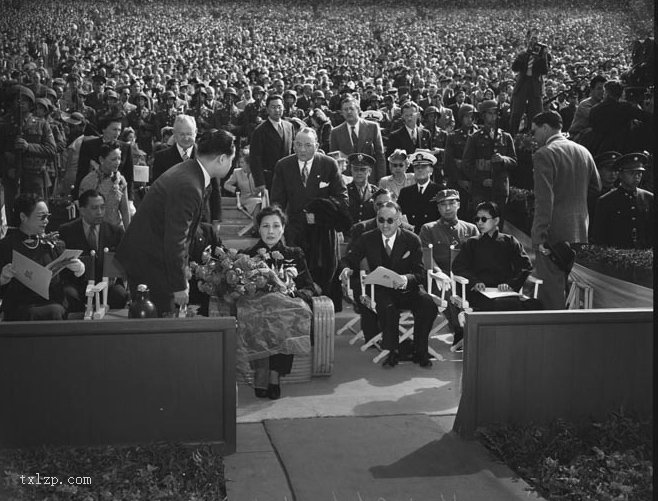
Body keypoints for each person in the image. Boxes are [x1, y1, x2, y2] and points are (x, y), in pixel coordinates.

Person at [116, 129, 235, 316]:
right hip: (150, 261)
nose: (230, 164)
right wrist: (179, 285)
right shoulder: (189, 185)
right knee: (161, 324)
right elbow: (176, 238)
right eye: (231, 160)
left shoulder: (191, 171)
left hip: (154, 255)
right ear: (221, 159)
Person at [339, 201, 437, 368]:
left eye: (390, 220)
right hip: (380, 290)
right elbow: (348, 259)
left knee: (428, 305)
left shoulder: (412, 240)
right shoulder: (367, 238)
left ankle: (420, 350)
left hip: (407, 289)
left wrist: (406, 279)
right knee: (388, 308)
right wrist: (346, 269)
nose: (385, 225)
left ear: (399, 220)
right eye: (381, 220)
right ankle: (392, 351)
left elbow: (420, 274)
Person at [242, 205, 318, 400]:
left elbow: (310, 287)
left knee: (284, 314)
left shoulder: (295, 254)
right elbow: (240, 290)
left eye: (276, 226)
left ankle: (274, 376)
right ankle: (262, 373)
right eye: (266, 226)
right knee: (260, 315)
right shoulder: (248, 256)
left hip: (287, 310)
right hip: (257, 311)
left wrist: (292, 294)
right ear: (258, 228)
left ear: (283, 228)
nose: (271, 231)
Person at [530, 111, 601, 309]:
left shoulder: (544, 153)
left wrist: (540, 236)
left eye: (535, 132)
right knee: (569, 289)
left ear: (545, 128)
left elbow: (544, 199)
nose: (534, 138)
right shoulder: (583, 151)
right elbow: (596, 188)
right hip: (579, 229)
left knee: (551, 293)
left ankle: (555, 337)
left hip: (553, 233)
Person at [270, 127, 349, 297]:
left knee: (324, 278)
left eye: (307, 145)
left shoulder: (329, 164)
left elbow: (342, 198)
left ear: (317, 145)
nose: (302, 149)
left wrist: (320, 208)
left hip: (323, 233)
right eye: (298, 145)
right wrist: (279, 229)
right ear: (293, 145)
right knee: (296, 276)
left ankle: (325, 316)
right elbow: (277, 203)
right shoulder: (283, 165)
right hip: (295, 231)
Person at [450, 201, 540, 348]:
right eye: (477, 219)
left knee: (532, 305)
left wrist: (511, 285)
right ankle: (500, 345)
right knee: (504, 305)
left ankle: (515, 345)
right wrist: (474, 282)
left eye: (484, 219)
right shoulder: (471, 243)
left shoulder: (510, 241)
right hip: (480, 291)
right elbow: (458, 267)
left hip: (505, 291)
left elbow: (525, 266)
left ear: (496, 220)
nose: (479, 223)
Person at [0, 193, 85, 321]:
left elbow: (68, 279)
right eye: (42, 217)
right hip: (21, 306)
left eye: (47, 216)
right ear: (23, 217)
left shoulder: (53, 244)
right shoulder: (6, 246)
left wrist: (78, 268)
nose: (46, 221)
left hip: (53, 301)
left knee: (56, 309)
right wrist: (3, 277)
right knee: (48, 312)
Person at [58, 189, 129, 310]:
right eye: (94, 208)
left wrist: (115, 274)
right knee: (68, 295)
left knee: (120, 294)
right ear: (82, 210)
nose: (100, 212)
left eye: (102, 207)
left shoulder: (115, 232)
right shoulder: (66, 231)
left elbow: (123, 259)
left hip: (107, 284)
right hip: (78, 284)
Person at [151, 115, 221, 230]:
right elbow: (157, 192)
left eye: (189, 134)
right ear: (174, 133)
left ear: (196, 132)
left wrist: (216, 220)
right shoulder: (162, 158)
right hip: (172, 220)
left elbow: (215, 190)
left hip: (202, 221)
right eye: (182, 134)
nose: (186, 138)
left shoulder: (207, 157)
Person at [0, 85, 56, 222]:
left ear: (31, 104)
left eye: (24, 100)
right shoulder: (4, 124)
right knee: (13, 214)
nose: (20, 103)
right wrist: (6, 169)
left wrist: (28, 147)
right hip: (12, 177)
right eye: (17, 99)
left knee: (37, 212)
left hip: (35, 177)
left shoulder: (42, 124)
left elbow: (51, 150)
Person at [462, 100, 517, 228]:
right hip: (481, 189)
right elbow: (466, 164)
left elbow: (514, 161)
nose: (493, 116)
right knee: (482, 224)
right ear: (483, 115)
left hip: (500, 187)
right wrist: (481, 180)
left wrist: (503, 159)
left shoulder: (506, 136)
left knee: (498, 223)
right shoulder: (475, 137)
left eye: (495, 113)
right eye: (489, 113)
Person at [591, 153, 653, 249]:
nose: (637, 177)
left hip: (643, 254)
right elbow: (599, 238)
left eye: (639, 173)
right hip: (617, 255)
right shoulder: (606, 201)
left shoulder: (649, 198)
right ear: (620, 174)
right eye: (632, 173)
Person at [74, 114, 134, 202]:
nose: (117, 133)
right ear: (104, 129)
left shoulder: (125, 148)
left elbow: (129, 175)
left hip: (117, 193)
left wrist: (130, 199)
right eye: (114, 129)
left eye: (119, 130)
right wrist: (77, 197)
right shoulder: (89, 145)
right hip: (93, 193)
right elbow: (82, 171)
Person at [419, 189, 479, 274]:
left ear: (458, 205)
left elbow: (478, 257)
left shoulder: (471, 229)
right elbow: (426, 257)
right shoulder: (428, 229)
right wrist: (439, 273)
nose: (447, 208)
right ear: (438, 208)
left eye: (451, 203)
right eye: (443, 205)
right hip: (437, 278)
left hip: (465, 278)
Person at [329, 96, 386, 183]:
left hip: (369, 179)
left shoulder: (372, 127)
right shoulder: (335, 132)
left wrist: (381, 179)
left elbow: (380, 155)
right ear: (341, 113)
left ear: (358, 110)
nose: (348, 112)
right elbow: (334, 161)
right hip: (347, 180)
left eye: (351, 108)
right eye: (345, 109)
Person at [78, 141, 131, 230]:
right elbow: (83, 212)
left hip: (115, 230)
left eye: (119, 158)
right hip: (96, 231)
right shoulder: (89, 181)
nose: (117, 162)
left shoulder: (120, 180)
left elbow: (125, 211)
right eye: (113, 159)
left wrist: (128, 233)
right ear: (102, 160)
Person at [509, 29, 551, 134]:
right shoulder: (523, 53)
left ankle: (534, 135)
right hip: (523, 84)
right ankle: (513, 134)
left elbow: (545, 71)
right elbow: (515, 68)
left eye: (536, 39)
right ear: (528, 40)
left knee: (536, 113)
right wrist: (525, 55)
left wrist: (543, 57)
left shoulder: (544, 55)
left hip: (535, 86)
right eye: (532, 39)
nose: (534, 42)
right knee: (517, 112)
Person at [250, 94, 294, 192]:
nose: (277, 110)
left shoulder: (289, 126)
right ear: (267, 109)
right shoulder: (260, 130)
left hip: (287, 176)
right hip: (269, 178)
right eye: (273, 107)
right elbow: (255, 158)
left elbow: (292, 152)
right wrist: (260, 182)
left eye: (279, 107)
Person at [397, 150, 441, 233]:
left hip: (432, 234)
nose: (420, 170)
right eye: (417, 167)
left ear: (431, 170)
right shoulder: (405, 192)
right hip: (411, 235)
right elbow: (398, 214)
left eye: (424, 167)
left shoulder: (440, 191)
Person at [223, 146, 262, 216]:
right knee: (257, 202)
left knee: (261, 202)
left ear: (248, 163)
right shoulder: (237, 172)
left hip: (258, 197)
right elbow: (226, 185)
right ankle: (256, 224)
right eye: (240, 162)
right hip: (245, 198)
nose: (240, 164)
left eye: (242, 162)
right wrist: (235, 189)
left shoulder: (257, 173)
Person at [568, 75, 606, 143]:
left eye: (604, 89)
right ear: (592, 90)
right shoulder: (585, 105)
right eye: (599, 89)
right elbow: (597, 119)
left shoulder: (603, 104)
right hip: (578, 136)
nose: (602, 92)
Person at [345, 153, 378, 228]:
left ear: (369, 171)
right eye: (355, 169)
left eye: (363, 169)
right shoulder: (344, 191)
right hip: (349, 235)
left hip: (368, 235)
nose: (359, 173)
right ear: (351, 170)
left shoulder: (375, 192)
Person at [587, 151, 622, 219]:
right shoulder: (591, 193)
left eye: (616, 170)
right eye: (609, 170)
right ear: (599, 170)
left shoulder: (620, 192)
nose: (613, 174)